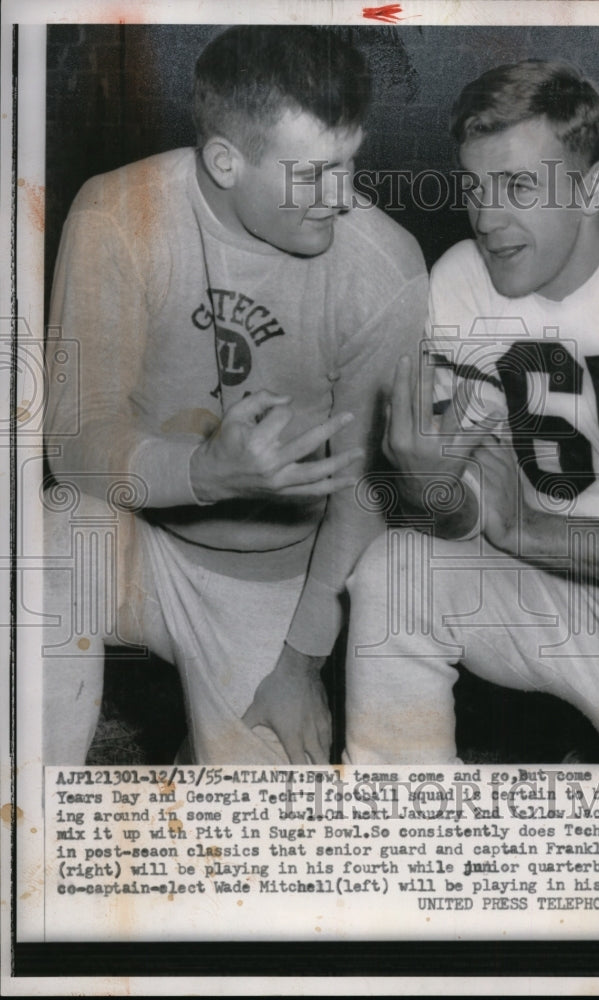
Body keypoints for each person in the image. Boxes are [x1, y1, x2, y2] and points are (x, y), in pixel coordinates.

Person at [344, 59, 599, 765]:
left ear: (592, 188)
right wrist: (428, 487)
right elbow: (467, 516)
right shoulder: (463, 283)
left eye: (519, 186)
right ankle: (400, 837)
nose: (487, 217)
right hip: (567, 598)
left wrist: (526, 529)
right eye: (474, 186)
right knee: (395, 570)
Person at [43, 25, 428, 764]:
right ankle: (29, 833)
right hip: (138, 542)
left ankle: (212, 737)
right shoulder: (120, 215)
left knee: (264, 849)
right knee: (47, 535)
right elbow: (72, 442)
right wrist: (207, 473)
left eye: (349, 163)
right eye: (312, 174)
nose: (341, 197)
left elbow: (366, 494)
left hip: (275, 576)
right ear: (225, 161)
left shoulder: (384, 268)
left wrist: (300, 664)